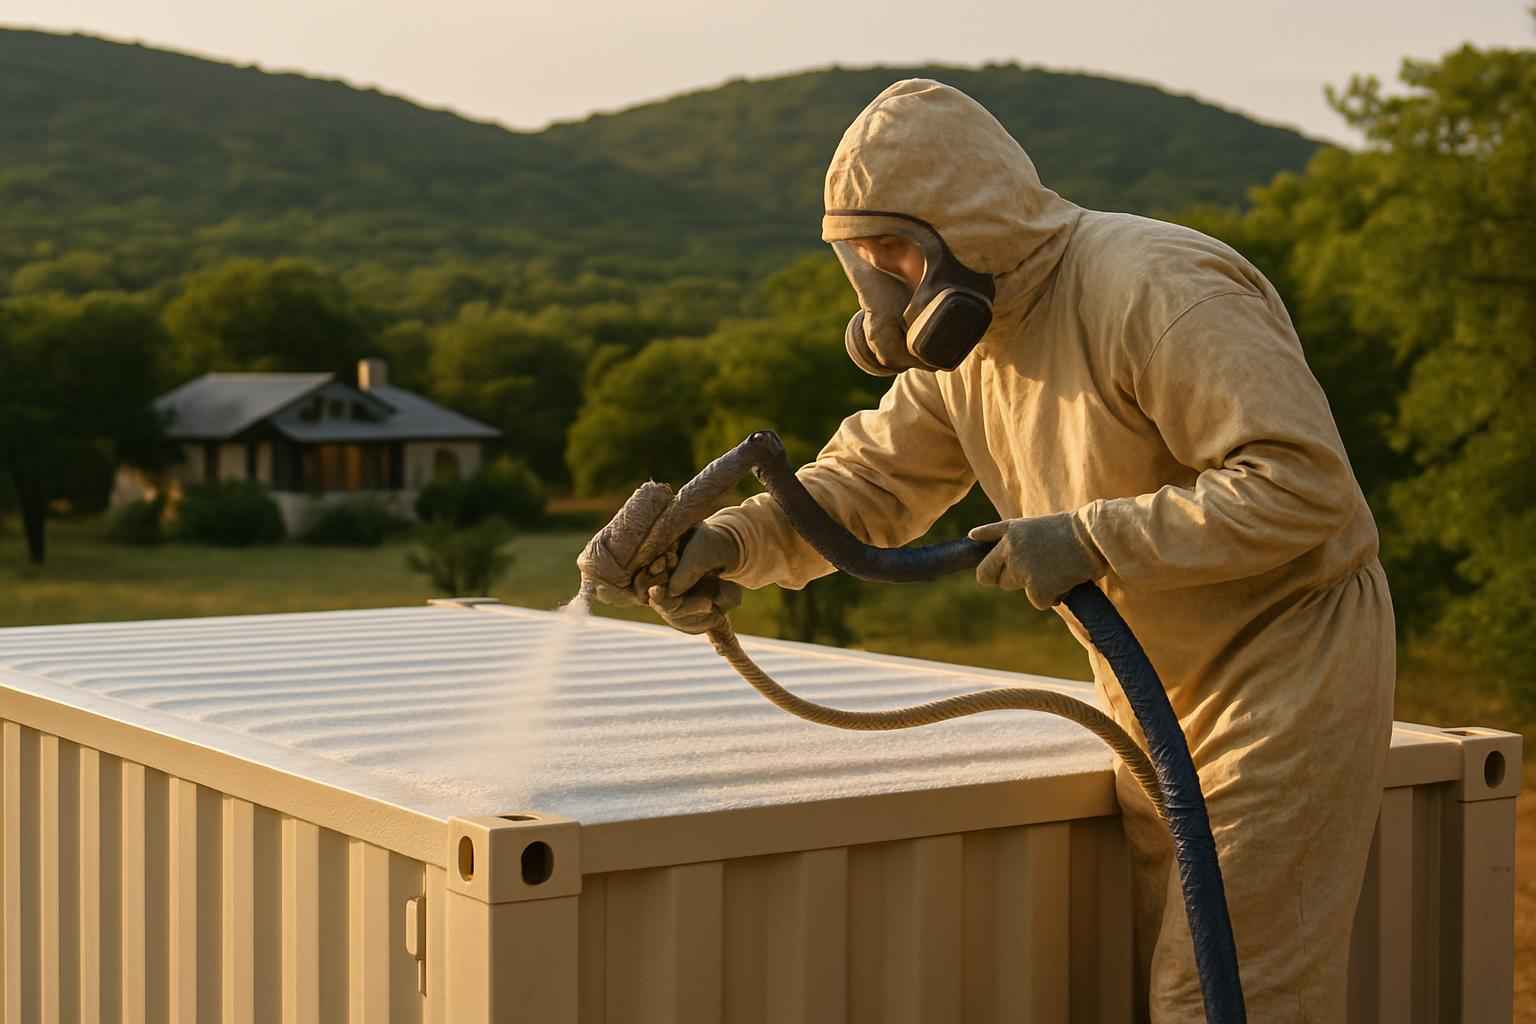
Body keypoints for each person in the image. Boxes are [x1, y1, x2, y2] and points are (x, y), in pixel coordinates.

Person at [644, 79, 1395, 1022]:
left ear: (967, 224)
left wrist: (1091, 537)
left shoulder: (1155, 286)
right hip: (1149, 687)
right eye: (865, 261)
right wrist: (730, 540)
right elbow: (866, 489)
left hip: (1286, 670)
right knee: (1173, 968)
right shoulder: (977, 350)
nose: (885, 290)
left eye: (895, 253)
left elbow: (1302, 487)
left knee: (1225, 994)